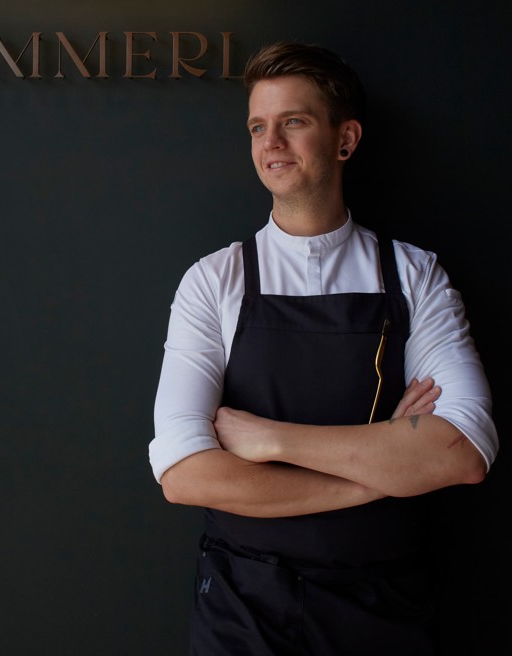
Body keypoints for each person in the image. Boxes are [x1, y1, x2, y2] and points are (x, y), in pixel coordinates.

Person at [149, 42, 498, 656]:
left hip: (383, 607)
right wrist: (380, 477)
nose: (271, 143)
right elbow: (183, 472)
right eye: (258, 127)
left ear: (346, 139)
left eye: (294, 121)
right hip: (243, 607)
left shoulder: (414, 275)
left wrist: (272, 440)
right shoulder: (214, 280)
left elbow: (463, 452)